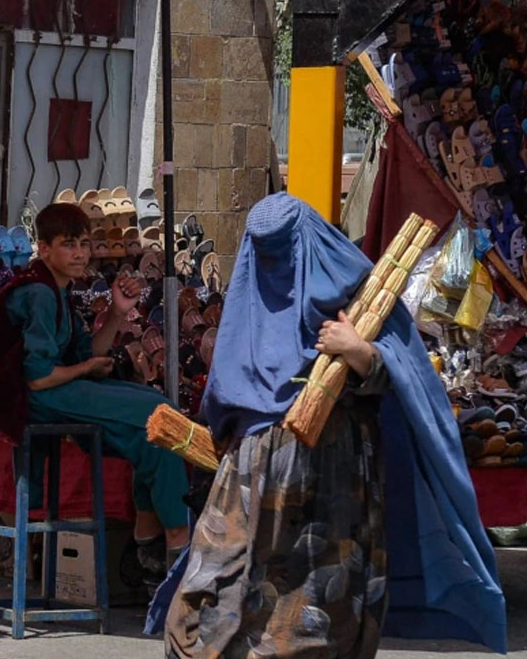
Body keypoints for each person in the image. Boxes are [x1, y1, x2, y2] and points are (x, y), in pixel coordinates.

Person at [163, 193, 506, 658]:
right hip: (257, 473)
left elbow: (405, 373)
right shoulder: (253, 299)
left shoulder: (354, 291)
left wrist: (359, 353)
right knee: (232, 584)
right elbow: (226, 389)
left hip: (332, 469)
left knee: (316, 594)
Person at [0, 202, 189, 580]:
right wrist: (85, 369)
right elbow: (39, 377)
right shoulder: (38, 293)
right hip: (31, 398)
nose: (81, 253)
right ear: (44, 248)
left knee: (156, 426)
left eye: (84, 243)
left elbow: (91, 352)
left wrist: (117, 312)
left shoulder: (59, 292)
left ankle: (150, 541)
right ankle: (172, 540)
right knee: (157, 415)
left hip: (53, 391)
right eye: (69, 244)